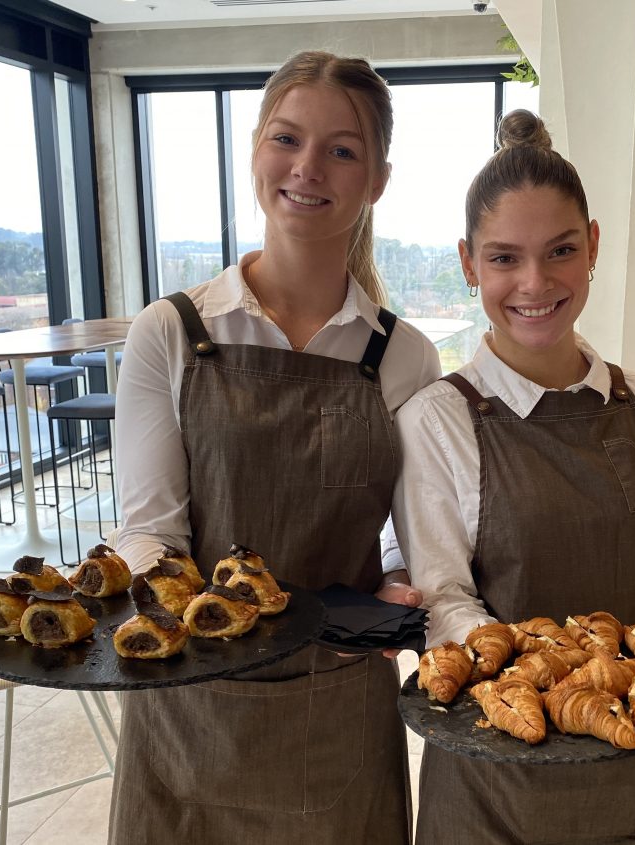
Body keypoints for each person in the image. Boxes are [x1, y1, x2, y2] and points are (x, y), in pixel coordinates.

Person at [391, 110, 635, 844]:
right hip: (493, 777)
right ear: (468, 263)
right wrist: (551, 685)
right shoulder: (438, 419)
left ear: (592, 247)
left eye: (559, 250)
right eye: (504, 258)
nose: (534, 282)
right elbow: (444, 598)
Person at [108, 51, 440, 844]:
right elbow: (151, 526)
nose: (307, 168)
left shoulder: (402, 356)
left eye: (342, 149)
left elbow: (407, 534)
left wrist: (397, 584)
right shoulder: (172, 333)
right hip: (190, 703)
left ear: (377, 179)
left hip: (340, 702)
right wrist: (185, 611)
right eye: (286, 139)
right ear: (255, 149)